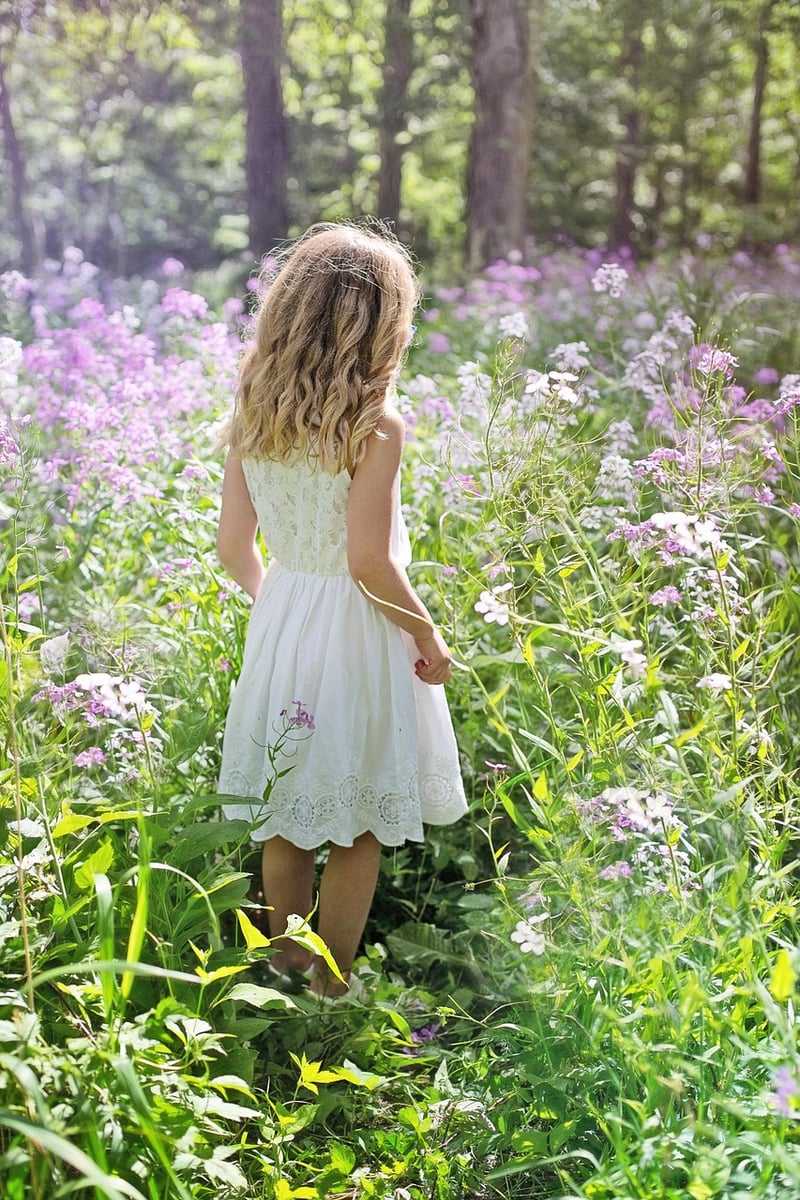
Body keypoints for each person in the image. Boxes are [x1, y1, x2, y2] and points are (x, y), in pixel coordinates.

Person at [215, 222, 467, 999]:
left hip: (285, 616)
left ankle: (283, 969)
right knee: (357, 822)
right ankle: (331, 986)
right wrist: (425, 633)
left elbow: (232, 546)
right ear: (383, 322)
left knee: (285, 813)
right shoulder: (376, 422)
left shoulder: (257, 401)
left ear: (289, 310)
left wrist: (283, 613)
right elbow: (368, 562)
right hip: (361, 631)